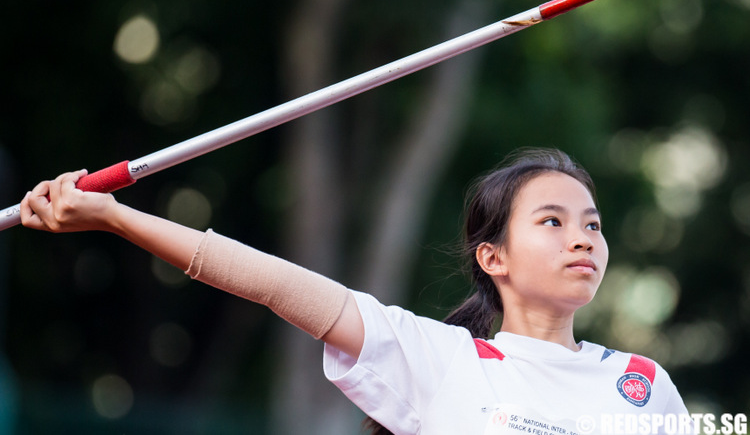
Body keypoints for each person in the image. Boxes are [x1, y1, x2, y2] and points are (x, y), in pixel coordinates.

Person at [20, 148, 689, 434]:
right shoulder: (440, 359)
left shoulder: (642, 385)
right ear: (494, 258)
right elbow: (273, 283)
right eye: (553, 222)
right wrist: (111, 215)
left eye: (593, 226)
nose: (583, 239)